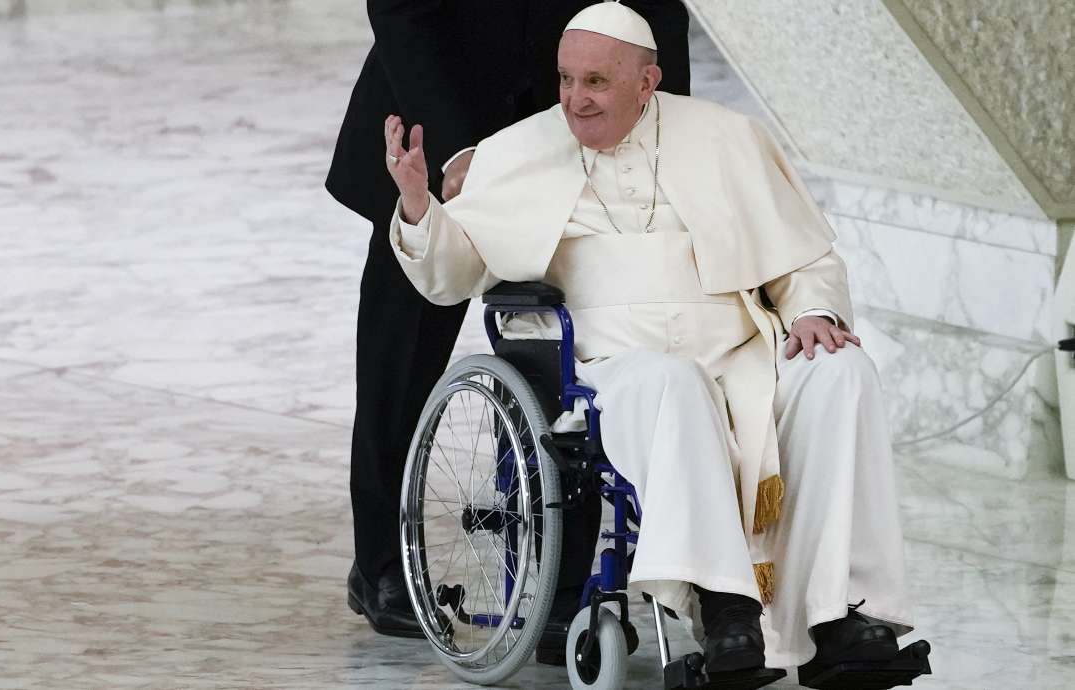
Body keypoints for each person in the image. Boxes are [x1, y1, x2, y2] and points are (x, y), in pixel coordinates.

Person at [380, 2, 920, 682]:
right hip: (616, 372)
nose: (576, 99)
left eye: (597, 82)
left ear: (647, 81)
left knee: (843, 371)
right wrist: (419, 208)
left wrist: (816, 312)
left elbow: (805, 260)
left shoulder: (728, 138)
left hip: (745, 352)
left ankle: (841, 613)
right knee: (673, 383)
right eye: (566, 79)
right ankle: (725, 613)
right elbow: (451, 274)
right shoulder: (515, 154)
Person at [327, 0, 691, 660]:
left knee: (564, 354)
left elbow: (657, 10)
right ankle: (380, 563)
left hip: (567, 131)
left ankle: (557, 585)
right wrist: (460, 148)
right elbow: (402, 12)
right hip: (432, 120)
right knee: (402, 361)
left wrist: (671, 138)